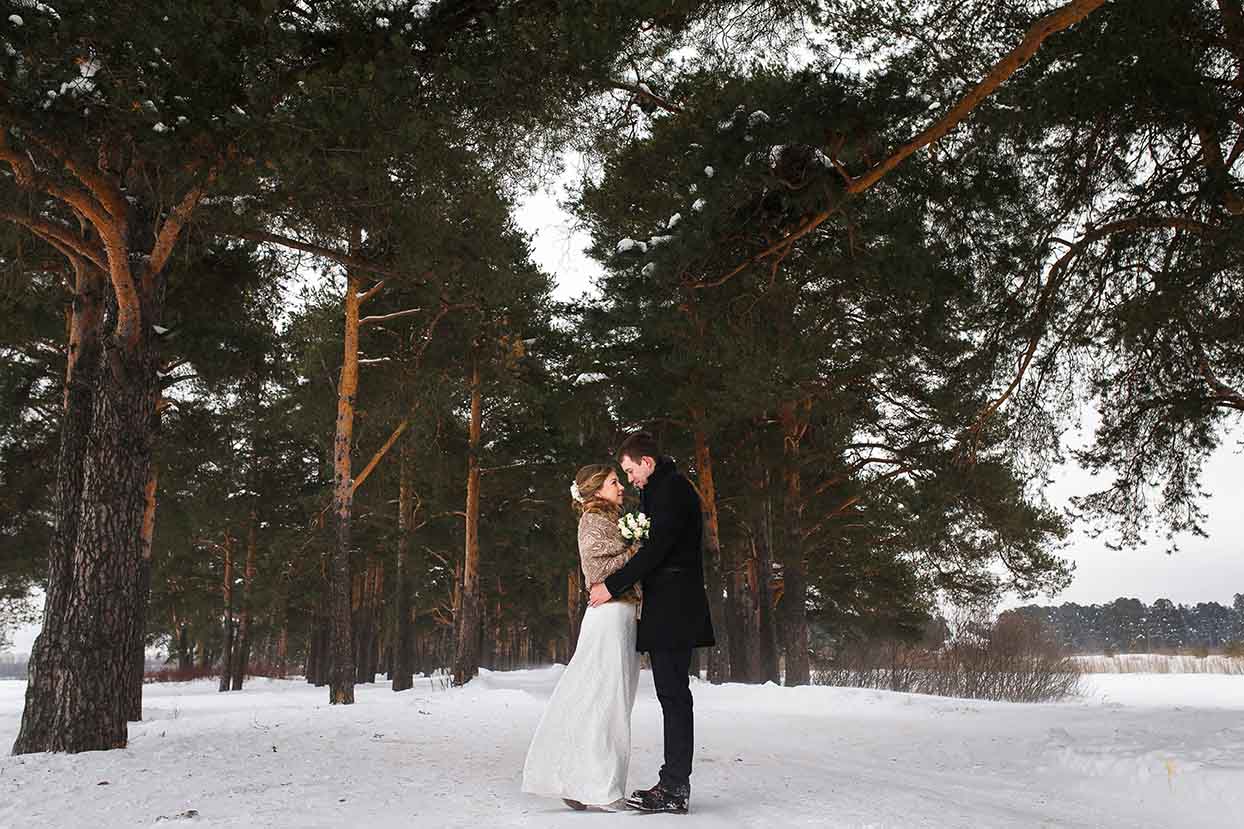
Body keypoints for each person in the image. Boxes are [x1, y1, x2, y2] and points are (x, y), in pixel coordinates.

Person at [588, 431, 715, 815]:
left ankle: (675, 787)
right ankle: (672, 782)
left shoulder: (671, 490)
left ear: (646, 462)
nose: (629, 480)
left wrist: (611, 585)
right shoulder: (660, 489)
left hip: (676, 607)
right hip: (668, 606)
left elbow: (657, 551)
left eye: (629, 471)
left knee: (674, 695)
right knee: (671, 694)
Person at [521, 464, 641, 811]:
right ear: (595, 490)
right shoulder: (593, 522)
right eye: (614, 482)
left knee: (609, 699)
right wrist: (638, 547)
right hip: (609, 616)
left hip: (623, 615)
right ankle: (601, 788)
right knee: (605, 699)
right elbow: (598, 569)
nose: (621, 487)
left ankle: (578, 778)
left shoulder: (611, 519)